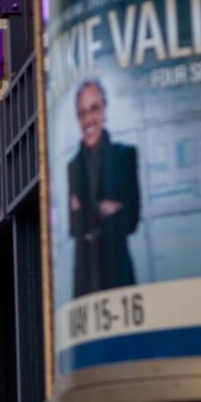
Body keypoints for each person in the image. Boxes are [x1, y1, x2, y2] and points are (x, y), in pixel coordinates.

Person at [68, 79, 140, 298]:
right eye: (82, 113)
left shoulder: (125, 156)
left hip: (117, 270)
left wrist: (87, 211)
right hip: (85, 276)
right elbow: (74, 228)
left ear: (105, 111)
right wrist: (105, 208)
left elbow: (131, 221)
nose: (89, 119)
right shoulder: (73, 166)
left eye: (94, 109)